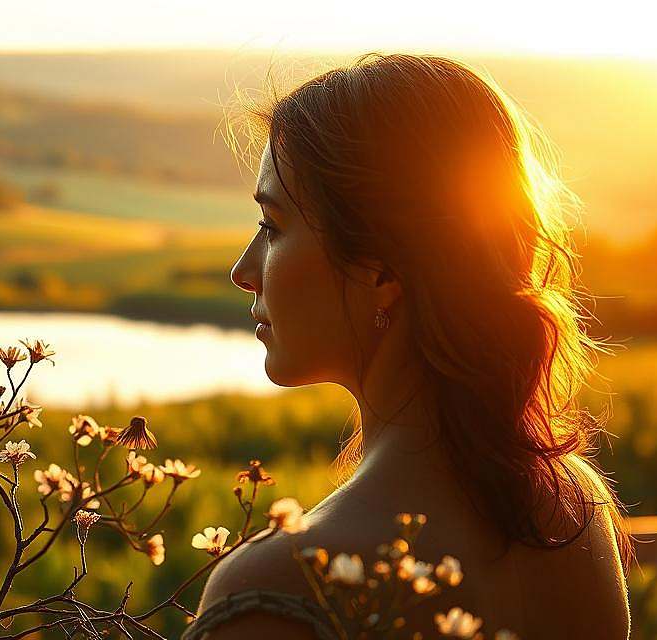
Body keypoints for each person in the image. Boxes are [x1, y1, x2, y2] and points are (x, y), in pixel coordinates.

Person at [184, 52, 633, 639]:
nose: (244, 270)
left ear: (381, 270)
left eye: (272, 228)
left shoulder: (282, 583)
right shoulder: (568, 507)